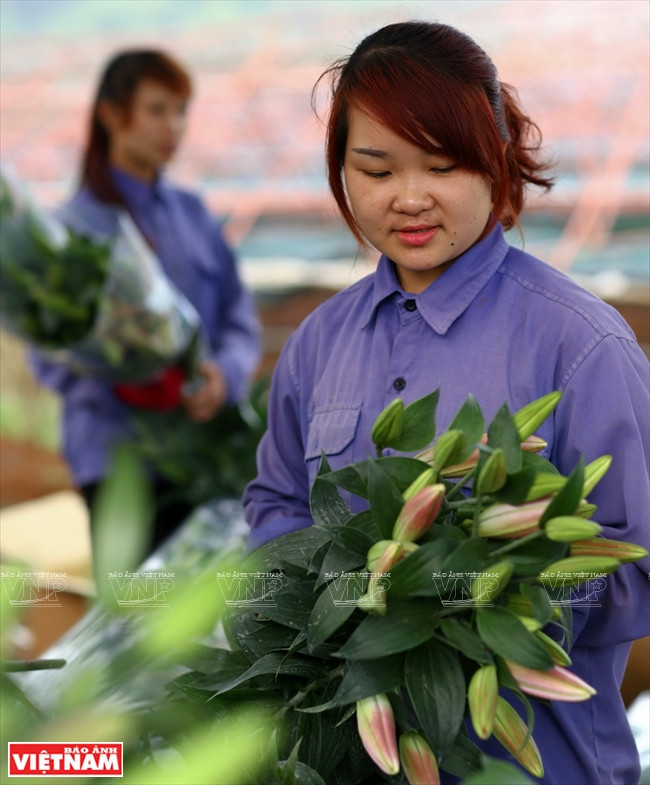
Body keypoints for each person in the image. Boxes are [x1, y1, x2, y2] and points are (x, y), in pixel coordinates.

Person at [243, 21, 650, 785]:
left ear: (495, 162)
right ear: (342, 171)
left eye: (443, 166)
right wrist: (322, 598)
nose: (410, 198)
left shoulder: (580, 343)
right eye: (376, 168)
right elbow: (276, 503)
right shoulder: (317, 342)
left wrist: (467, 601)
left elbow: (637, 564)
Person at [31, 49, 261, 553]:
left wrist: (224, 375)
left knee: (213, 596)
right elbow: (48, 354)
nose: (172, 126)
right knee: (135, 598)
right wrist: (131, 378)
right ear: (112, 114)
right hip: (118, 461)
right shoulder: (71, 230)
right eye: (157, 110)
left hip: (208, 452)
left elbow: (238, 315)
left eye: (181, 111)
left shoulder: (193, 214)